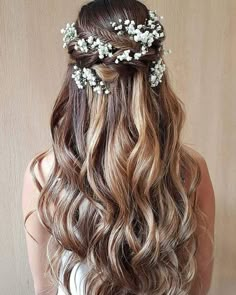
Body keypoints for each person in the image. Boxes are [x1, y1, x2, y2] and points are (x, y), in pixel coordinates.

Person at [21, 0, 215, 294]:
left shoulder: (45, 174)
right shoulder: (188, 171)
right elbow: (199, 286)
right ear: (155, 76)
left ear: (78, 79)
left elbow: (44, 289)